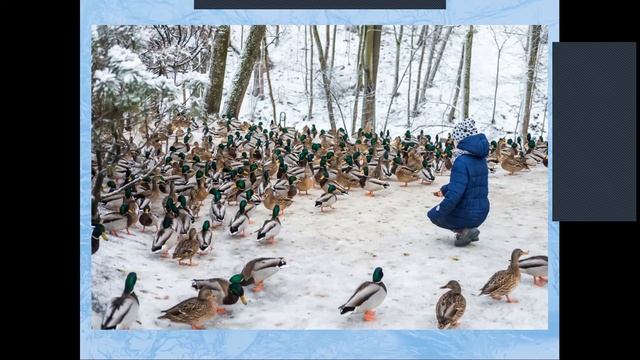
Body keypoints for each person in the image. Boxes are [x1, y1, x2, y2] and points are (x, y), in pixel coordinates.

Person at [427, 118, 490, 247]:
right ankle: (470, 229)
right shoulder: (481, 159)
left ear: (461, 140)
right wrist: (444, 190)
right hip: (482, 210)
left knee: (434, 215)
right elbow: (467, 183)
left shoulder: (461, 161)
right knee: (458, 209)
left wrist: (440, 211)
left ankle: (464, 231)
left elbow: (455, 195)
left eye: (455, 139)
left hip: (468, 212)